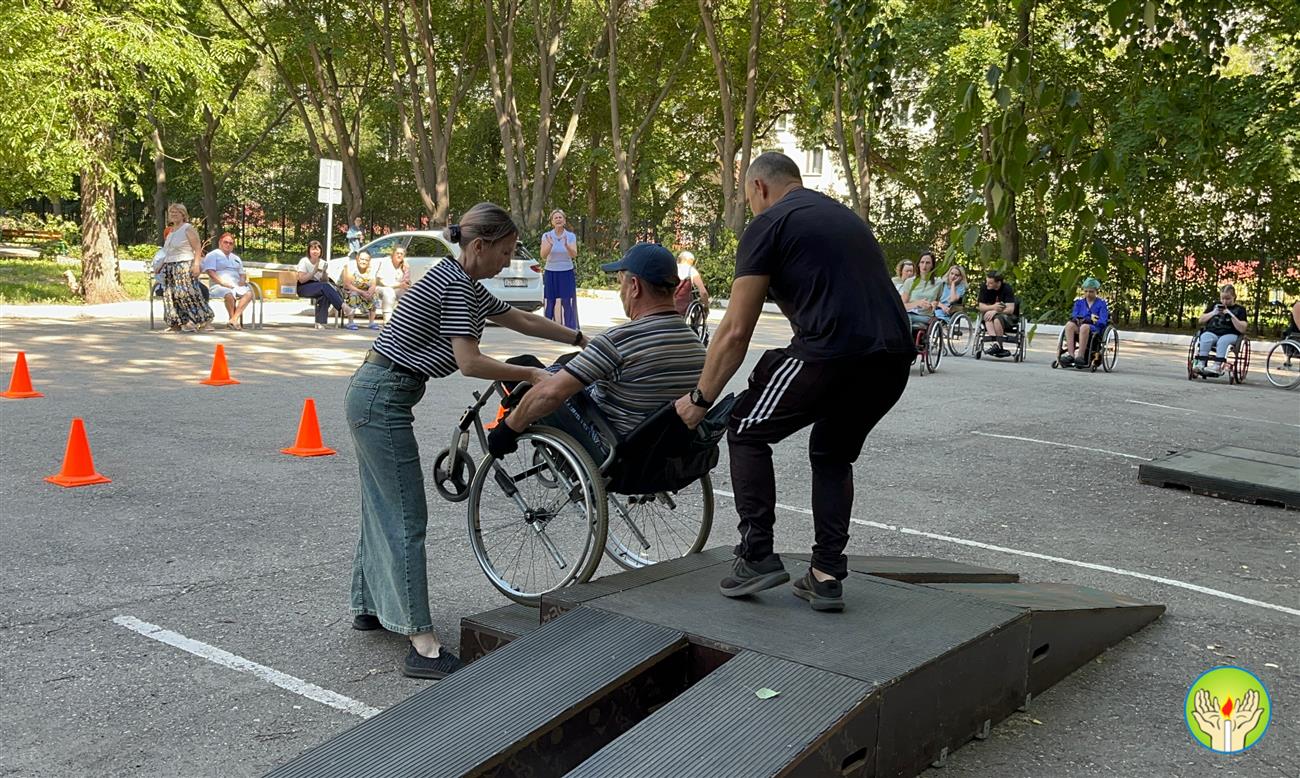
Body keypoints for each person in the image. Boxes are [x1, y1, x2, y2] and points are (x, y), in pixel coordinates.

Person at [346, 202, 588, 680]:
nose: (509, 258)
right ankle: (422, 645)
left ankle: (367, 606)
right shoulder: (457, 286)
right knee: (405, 514)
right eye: (505, 250)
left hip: (376, 394)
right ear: (479, 246)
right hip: (382, 398)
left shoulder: (460, 281)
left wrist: (579, 339)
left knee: (381, 505)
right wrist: (531, 372)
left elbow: (524, 320)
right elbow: (470, 362)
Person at [673, 152, 914, 613]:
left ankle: (758, 555)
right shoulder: (842, 217)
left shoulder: (768, 224)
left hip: (833, 352)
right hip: (893, 358)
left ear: (760, 187)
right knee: (831, 452)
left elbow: (735, 330)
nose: (751, 207)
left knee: (744, 427)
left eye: (749, 198)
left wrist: (700, 398)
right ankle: (825, 575)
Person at [488, 243, 706, 462]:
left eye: (620, 283)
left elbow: (550, 394)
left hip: (610, 452)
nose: (620, 293)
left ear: (634, 286)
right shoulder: (696, 345)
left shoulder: (619, 340)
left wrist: (508, 429)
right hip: (662, 458)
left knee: (525, 368)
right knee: (571, 361)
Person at [158, 203, 215, 333]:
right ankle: (177, 322)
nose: (173, 214)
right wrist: (161, 265)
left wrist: (196, 265)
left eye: (177, 212)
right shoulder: (171, 231)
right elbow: (168, 251)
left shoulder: (187, 228)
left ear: (183, 215)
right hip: (170, 267)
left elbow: (197, 247)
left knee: (187, 294)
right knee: (171, 295)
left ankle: (204, 320)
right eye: (172, 212)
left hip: (184, 264)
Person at [201, 233, 255, 330]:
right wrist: (222, 283)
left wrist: (242, 280)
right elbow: (210, 271)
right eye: (225, 242)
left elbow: (242, 273)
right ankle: (232, 319)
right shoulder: (213, 255)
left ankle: (234, 319)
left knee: (249, 293)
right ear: (220, 243)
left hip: (236, 285)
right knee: (229, 293)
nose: (228, 245)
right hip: (219, 285)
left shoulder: (236, 258)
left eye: (231, 243)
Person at [1194, 284, 1249, 376]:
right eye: (1222, 299)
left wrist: (1230, 315)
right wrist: (1213, 313)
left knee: (1223, 341)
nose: (1224, 301)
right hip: (1212, 332)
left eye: (1228, 299)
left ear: (1234, 297)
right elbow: (1201, 320)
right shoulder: (1215, 305)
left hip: (1230, 333)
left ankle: (1217, 365)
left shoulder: (1240, 309)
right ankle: (1201, 363)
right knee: (1206, 337)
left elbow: (1242, 328)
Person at [540, 209, 579, 328]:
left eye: (560, 217)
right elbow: (543, 256)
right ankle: (549, 328)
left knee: (567, 300)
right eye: (555, 218)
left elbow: (574, 255)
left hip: (566, 272)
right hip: (551, 272)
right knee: (550, 300)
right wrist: (550, 244)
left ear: (564, 220)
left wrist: (567, 245)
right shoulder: (546, 236)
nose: (558, 219)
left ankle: (569, 328)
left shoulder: (570, 236)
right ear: (552, 221)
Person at [1060, 277, 1109, 369]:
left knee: (1085, 327)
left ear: (1096, 291)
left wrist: (1091, 320)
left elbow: (1103, 321)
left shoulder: (1101, 304)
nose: (1088, 294)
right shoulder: (1079, 303)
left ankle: (1080, 356)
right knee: (1069, 325)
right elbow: (1074, 315)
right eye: (1086, 291)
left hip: (1094, 329)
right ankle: (1071, 355)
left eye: (1091, 291)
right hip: (1079, 325)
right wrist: (1076, 319)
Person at [296, 240, 344, 330]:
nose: (315, 251)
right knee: (325, 287)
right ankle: (343, 306)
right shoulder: (304, 261)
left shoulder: (322, 262)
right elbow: (301, 280)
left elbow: (324, 280)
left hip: (319, 286)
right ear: (309, 251)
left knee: (324, 293)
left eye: (317, 249)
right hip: (304, 287)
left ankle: (320, 322)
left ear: (320, 251)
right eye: (312, 249)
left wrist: (324, 272)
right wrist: (314, 271)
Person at [977, 270, 1018, 357]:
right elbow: (981, 307)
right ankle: (996, 344)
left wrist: (995, 311)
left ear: (998, 283)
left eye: (990, 283)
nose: (987, 284)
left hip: (1006, 317)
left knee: (996, 319)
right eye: (987, 282)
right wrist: (993, 307)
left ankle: (998, 346)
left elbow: (1010, 309)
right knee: (987, 317)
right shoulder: (985, 287)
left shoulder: (1007, 288)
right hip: (990, 315)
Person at [900, 251, 942, 327]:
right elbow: (902, 305)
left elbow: (937, 301)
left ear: (932, 265)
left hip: (925, 316)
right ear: (918, 264)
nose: (924, 265)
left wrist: (933, 305)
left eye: (928, 263)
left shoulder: (939, 283)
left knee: (905, 318)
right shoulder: (910, 282)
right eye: (922, 262)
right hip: (909, 313)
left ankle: (906, 338)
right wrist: (917, 303)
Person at [341, 250, 378, 330]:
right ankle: (350, 322)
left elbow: (373, 284)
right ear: (357, 258)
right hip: (349, 290)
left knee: (374, 294)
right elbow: (347, 285)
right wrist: (362, 292)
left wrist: (370, 292)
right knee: (353, 295)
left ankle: (371, 322)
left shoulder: (371, 269)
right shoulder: (350, 267)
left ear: (369, 261)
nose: (364, 262)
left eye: (366, 260)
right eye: (362, 259)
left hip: (364, 290)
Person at [375, 245, 412, 319]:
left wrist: (406, 284)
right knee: (389, 292)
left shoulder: (405, 265)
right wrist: (399, 285)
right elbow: (382, 282)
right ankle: (387, 320)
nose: (399, 255)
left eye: (401, 254)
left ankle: (404, 319)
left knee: (409, 295)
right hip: (381, 288)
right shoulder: (385, 262)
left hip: (397, 288)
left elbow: (406, 282)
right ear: (393, 254)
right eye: (397, 253)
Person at [674, 250, 711, 315]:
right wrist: (706, 306)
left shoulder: (672, 268)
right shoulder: (692, 271)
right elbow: (703, 292)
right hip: (683, 307)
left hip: (667, 306)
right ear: (690, 261)